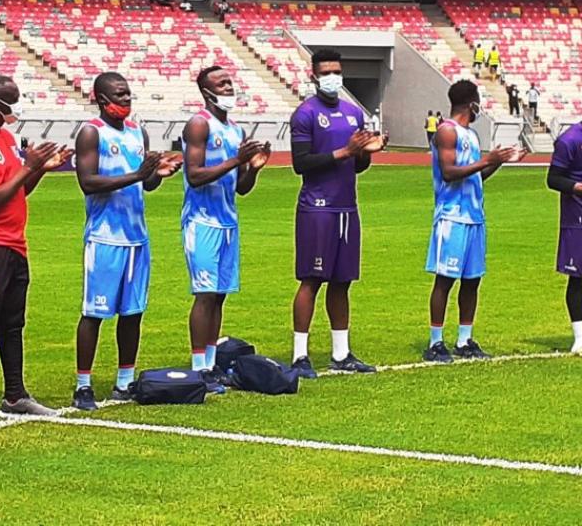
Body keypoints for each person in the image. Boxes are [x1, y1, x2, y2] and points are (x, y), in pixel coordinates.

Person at [0, 75, 73, 427]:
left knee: (13, 322)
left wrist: (37, 169)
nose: (18, 106)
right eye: (13, 100)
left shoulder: (6, 139)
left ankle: (15, 395)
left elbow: (17, 192)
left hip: (14, 243)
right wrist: (28, 165)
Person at [72, 72, 181, 410]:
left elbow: (144, 185)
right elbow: (88, 182)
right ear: (102, 100)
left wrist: (156, 174)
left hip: (137, 237)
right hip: (105, 237)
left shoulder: (138, 132)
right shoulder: (92, 133)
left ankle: (125, 381)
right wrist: (137, 173)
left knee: (132, 313)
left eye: (129, 94)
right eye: (119, 96)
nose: (126, 101)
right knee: (94, 313)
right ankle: (83, 385)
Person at [289, 49, 386, 378]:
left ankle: (341, 353)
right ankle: (300, 355)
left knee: (343, 281)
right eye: (327, 72)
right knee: (312, 280)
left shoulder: (353, 112)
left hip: (347, 206)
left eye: (337, 71)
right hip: (317, 208)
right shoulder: (305, 113)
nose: (333, 77)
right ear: (314, 75)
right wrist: (345, 150)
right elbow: (300, 164)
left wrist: (365, 152)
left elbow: (358, 165)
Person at [424, 80, 527, 363]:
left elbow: (474, 177)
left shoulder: (470, 134)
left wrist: (498, 161)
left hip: (474, 216)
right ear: (471, 103)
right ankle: (435, 342)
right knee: (445, 279)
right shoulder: (446, 131)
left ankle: (464, 339)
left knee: (472, 280)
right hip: (452, 216)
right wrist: (487, 160)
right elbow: (448, 172)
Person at [182, 66, 270, 393]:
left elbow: (241, 188)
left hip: (228, 221)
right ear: (207, 92)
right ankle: (197, 368)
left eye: (230, 81)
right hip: (202, 221)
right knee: (204, 295)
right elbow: (194, 175)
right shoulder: (199, 124)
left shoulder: (236, 130)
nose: (229, 87)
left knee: (219, 297)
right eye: (222, 84)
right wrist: (236, 161)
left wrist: (254, 169)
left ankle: (211, 363)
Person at [547, 122, 582, 353]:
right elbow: (553, 179)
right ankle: (580, 337)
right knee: (579, 278)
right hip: (577, 217)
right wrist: (578, 186)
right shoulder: (570, 139)